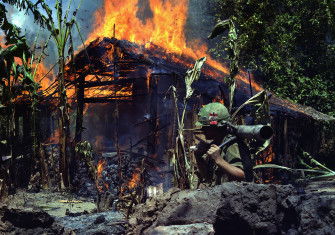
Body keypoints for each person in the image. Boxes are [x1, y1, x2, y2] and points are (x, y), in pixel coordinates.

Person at [193, 102, 245, 188]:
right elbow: (208, 177)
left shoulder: (232, 144)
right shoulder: (217, 144)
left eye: (206, 127)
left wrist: (219, 159)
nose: (203, 129)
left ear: (217, 127)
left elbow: (241, 175)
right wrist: (198, 156)